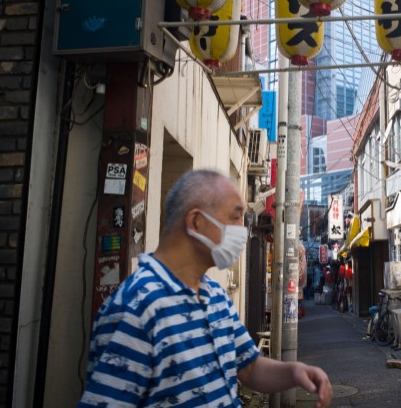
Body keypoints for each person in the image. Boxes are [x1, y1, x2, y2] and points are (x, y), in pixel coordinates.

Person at [79, 169, 332, 407]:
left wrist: (294, 372)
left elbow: (249, 367)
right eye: (234, 217)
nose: (241, 230)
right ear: (197, 222)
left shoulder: (215, 295)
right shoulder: (136, 308)